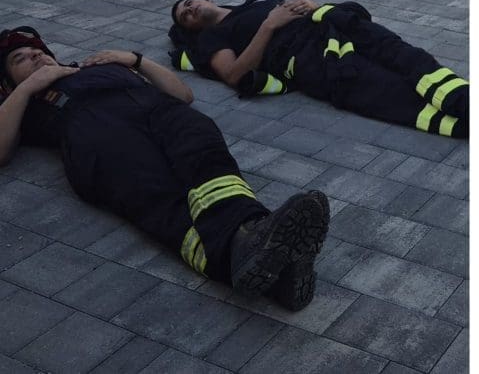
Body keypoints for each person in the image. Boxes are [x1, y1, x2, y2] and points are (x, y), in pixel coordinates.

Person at [0, 26, 329, 310]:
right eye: (20, 59)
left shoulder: (92, 65)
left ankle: (257, 239)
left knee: (204, 151)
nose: (35, 57)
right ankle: (264, 261)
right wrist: (28, 88)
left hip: (158, 108)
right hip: (98, 136)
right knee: (163, 196)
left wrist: (136, 60)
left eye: (37, 51)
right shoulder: (24, 103)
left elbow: (182, 94)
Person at [169, 0, 469, 139]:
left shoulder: (255, 0)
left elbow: (296, 10)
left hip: (333, 28)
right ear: (191, 28)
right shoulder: (211, 38)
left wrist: (313, 7)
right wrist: (269, 26)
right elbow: (235, 75)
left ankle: (467, 102)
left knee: (408, 57)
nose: (190, 9)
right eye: (185, 15)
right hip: (310, 59)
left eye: (189, 3)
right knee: (389, 92)